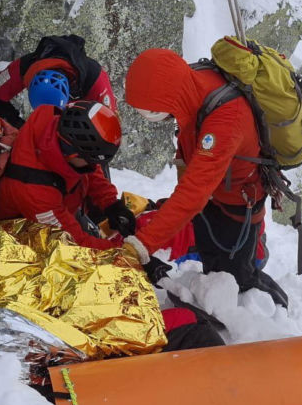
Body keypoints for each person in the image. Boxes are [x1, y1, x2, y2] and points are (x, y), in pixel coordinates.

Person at [120, 47, 288, 307]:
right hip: (215, 194)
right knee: (213, 261)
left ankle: (268, 309)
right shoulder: (190, 87)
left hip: (237, 203)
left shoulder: (225, 120)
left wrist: (143, 244)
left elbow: (194, 192)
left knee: (235, 276)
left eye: (151, 109)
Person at [0, 100, 139, 252]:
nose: (93, 166)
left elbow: (90, 170)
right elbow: (74, 244)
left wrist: (111, 203)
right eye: (90, 160)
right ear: (72, 153)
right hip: (18, 230)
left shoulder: (55, 127)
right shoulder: (36, 192)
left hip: (63, 204)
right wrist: (124, 251)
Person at [0, 35, 116, 128]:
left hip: (80, 114)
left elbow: (107, 124)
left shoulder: (95, 79)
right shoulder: (25, 67)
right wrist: (16, 124)